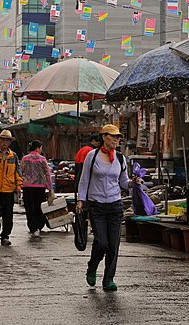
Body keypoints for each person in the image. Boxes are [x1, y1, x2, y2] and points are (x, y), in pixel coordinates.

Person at [76, 124, 138, 292]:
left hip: (115, 205)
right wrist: (81, 200)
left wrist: (133, 183)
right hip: (96, 205)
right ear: (104, 137)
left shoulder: (120, 158)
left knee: (113, 245)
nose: (116, 140)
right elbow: (84, 179)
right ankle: (92, 266)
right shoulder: (92, 155)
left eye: (118, 137)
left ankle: (108, 279)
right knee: (102, 243)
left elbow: (123, 182)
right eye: (113, 136)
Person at [20, 140, 55, 237]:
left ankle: (33, 227)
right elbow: (47, 173)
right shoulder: (42, 159)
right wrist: (50, 187)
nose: (41, 150)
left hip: (27, 187)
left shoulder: (25, 158)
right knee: (39, 208)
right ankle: (38, 226)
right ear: (37, 148)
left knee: (29, 208)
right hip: (40, 187)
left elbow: (20, 171)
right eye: (40, 148)